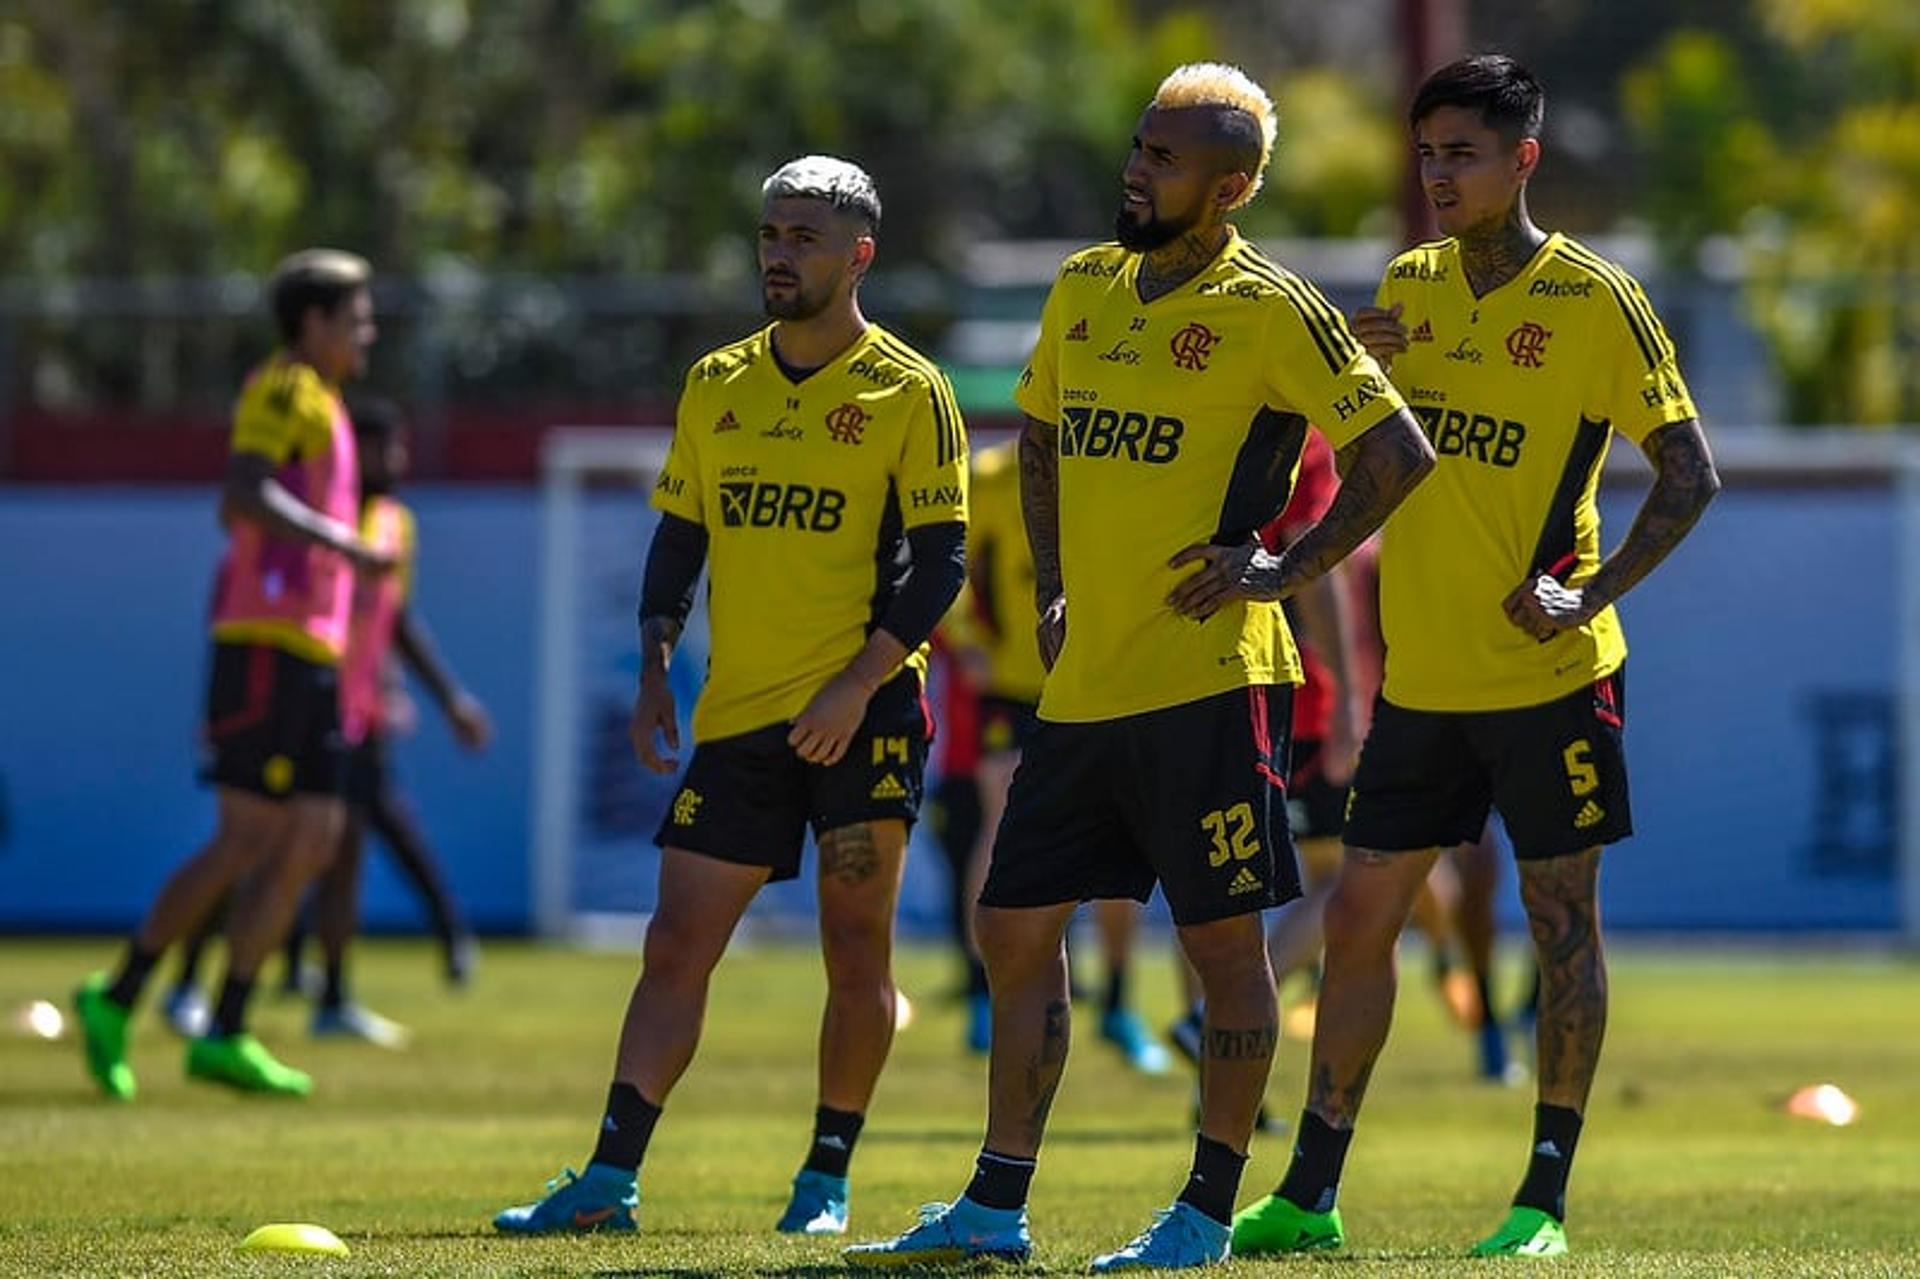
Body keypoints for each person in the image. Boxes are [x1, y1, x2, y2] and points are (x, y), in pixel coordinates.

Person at [849, 63, 1433, 1271]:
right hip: (1086, 683)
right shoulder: (1083, 288)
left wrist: (1278, 566)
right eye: (1138, 147)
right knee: (1013, 930)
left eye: (1165, 159)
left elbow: (1397, 451)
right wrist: (1055, 583)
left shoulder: (1274, 308)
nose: (1136, 169)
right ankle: (996, 1207)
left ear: (1230, 187)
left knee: (1221, 950)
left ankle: (1204, 1215)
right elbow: (1047, 439)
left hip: (1214, 681)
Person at [1229, 54, 1720, 1260]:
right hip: (1422, 683)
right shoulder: (1409, 286)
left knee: (1560, 925)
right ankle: (1313, 1190)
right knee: (1358, 924)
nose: (1441, 177)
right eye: (1430, 154)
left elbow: (1689, 474)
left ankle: (1542, 1198)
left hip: (1553, 680)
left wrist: (1589, 592)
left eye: (1465, 154)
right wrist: (1360, 364)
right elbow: (1368, 452)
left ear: (1523, 162)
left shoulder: (1598, 299)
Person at [493, 155, 969, 1239]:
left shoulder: (911, 390)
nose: (778, 253)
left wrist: (855, 686)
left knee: (857, 955)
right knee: (676, 943)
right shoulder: (717, 383)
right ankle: (610, 1180)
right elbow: (682, 534)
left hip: (867, 718)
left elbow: (939, 568)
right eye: (769, 233)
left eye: (803, 236)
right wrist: (656, 668)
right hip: (741, 716)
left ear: (859, 255)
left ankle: (825, 1178)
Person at [72, 249, 391, 1099]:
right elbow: (242, 493)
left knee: (315, 835)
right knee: (247, 833)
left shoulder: (326, 405)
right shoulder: (283, 389)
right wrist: (342, 541)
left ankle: (227, 1026)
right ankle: (118, 992)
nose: (369, 332)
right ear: (314, 323)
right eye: (356, 317)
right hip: (262, 639)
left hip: (313, 648)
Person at [160, 398, 492, 1046]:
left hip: (356, 714)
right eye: (379, 447)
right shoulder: (312, 519)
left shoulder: (397, 525)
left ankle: (333, 994)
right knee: (251, 845)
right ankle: (185, 984)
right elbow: (244, 600)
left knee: (341, 853)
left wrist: (445, 696)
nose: (393, 460)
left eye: (394, 447)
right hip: (294, 699)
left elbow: (392, 618)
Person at [949, 439, 1170, 1072]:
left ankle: (1121, 1003)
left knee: (1126, 839)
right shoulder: (987, 478)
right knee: (1002, 827)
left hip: (1102, 680)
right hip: (1012, 687)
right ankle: (982, 993)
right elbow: (949, 565)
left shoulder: (1117, 466)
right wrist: (966, 640)